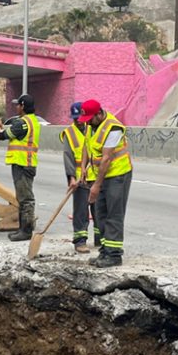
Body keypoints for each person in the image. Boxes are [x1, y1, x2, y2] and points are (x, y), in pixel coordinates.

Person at [76, 99, 132, 267]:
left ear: (99, 114)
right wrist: (83, 166)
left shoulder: (113, 128)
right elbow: (87, 145)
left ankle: (114, 255)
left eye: (90, 119)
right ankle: (105, 251)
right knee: (101, 213)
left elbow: (106, 159)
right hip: (100, 174)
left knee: (114, 214)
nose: (88, 123)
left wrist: (96, 185)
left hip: (117, 175)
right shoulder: (91, 125)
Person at [0, 94, 41, 241]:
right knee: (23, 198)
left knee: (25, 199)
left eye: (18, 105)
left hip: (23, 164)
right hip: (26, 164)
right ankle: (22, 229)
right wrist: (1, 128)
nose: (16, 107)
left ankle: (25, 231)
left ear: (23, 106)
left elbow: (2, 136)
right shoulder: (32, 121)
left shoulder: (22, 123)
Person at [61, 101, 98, 254]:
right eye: (75, 119)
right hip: (79, 178)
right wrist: (71, 177)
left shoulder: (93, 129)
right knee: (81, 211)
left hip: (95, 176)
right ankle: (80, 241)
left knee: (99, 210)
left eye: (80, 118)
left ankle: (100, 239)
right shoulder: (69, 133)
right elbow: (68, 156)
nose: (79, 122)